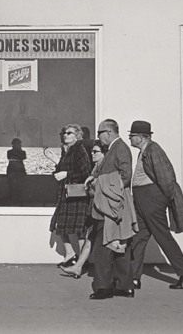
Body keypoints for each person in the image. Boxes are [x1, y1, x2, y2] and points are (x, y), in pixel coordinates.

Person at [129, 120, 183, 290]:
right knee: (138, 238)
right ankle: (133, 277)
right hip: (142, 199)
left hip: (151, 200)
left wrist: (159, 200)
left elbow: (167, 180)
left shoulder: (154, 150)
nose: (130, 137)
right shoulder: (144, 151)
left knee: (162, 236)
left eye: (132, 135)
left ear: (141, 137)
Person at [79, 120, 136, 298]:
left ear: (109, 132)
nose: (98, 137)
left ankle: (104, 287)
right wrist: (93, 176)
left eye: (99, 133)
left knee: (103, 247)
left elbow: (125, 177)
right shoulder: (115, 148)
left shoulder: (119, 148)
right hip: (112, 204)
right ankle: (124, 286)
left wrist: (99, 183)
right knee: (119, 246)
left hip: (111, 206)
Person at [58, 140, 106, 280]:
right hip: (95, 208)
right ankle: (78, 267)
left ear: (104, 154)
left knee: (97, 239)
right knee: (89, 237)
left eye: (95, 152)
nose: (92, 154)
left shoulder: (104, 169)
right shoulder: (96, 168)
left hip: (104, 209)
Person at [49, 124, 92, 270]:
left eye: (69, 133)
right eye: (64, 133)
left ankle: (82, 260)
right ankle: (70, 254)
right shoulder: (68, 150)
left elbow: (86, 172)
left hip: (76, 195)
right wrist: (57, 163)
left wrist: (67, 174)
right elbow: (64, 169)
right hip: (67, 194)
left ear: (77, 136)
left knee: (78, 229)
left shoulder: (79, 150)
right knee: (62, 225)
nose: (65, 135)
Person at [6, 138, 28, 205]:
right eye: (15, 144)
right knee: (12, 185)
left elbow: (23, 157)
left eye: (18, 144)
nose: (17, 145)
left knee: (21, 185)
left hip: (20, 170)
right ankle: (13, 199)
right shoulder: (9, 152)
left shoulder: (22, 152)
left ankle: (20, 200)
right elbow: (9, 156)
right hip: (12, 170)